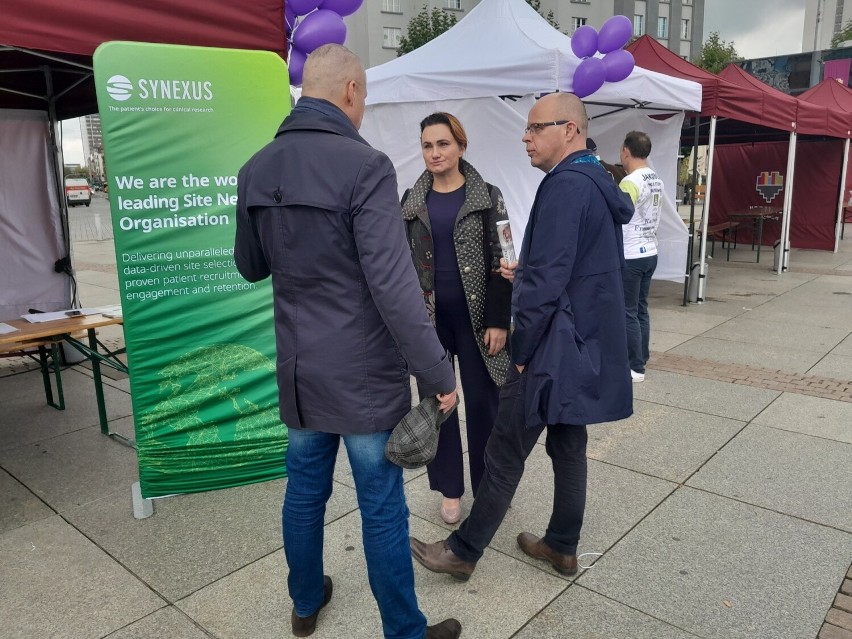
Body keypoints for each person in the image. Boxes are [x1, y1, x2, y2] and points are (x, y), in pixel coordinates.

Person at [233, 44, 462, 639]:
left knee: (304, 491)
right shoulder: (366, 166)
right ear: (352, 92)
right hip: (362, 380)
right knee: (381, 506)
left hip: (301, 374)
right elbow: (394, 288)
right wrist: (439, 373)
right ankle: (405, 632)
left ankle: (305, 605)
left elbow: (250, 266)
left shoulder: (256, 168)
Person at [409, 92, 633, 582]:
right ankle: (562, 545)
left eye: (535, 128)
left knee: (504, 449)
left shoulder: (566, 186)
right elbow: (571, 268)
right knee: (568, 445)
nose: (525, 137)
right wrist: (526, 270)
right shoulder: (596, 180)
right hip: (582, 340)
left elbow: (550, 282)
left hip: (553, 343)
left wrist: (522, 348)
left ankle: (463, 551)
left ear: (569, 130)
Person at [402, 112, 512, 525]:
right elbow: (398, 262)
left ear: (461, 147)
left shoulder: (488, 196)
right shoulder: (411, 201)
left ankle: (489, 487)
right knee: (438, 403)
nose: (435, 153)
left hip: (479, 318)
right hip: (429, 322)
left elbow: (507, 259)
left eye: (443, 144)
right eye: (428, 145)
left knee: (485, 403)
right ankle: (450, 488)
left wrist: (500, 319)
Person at [618, 131, 663, 383]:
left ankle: (635, 367)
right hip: (650, 250)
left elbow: (621, 212)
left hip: (632, 253)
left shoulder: (630, 181)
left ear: (626, 151)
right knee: (641, 309)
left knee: (628, 311)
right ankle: (641, 357)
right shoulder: (655, 178)